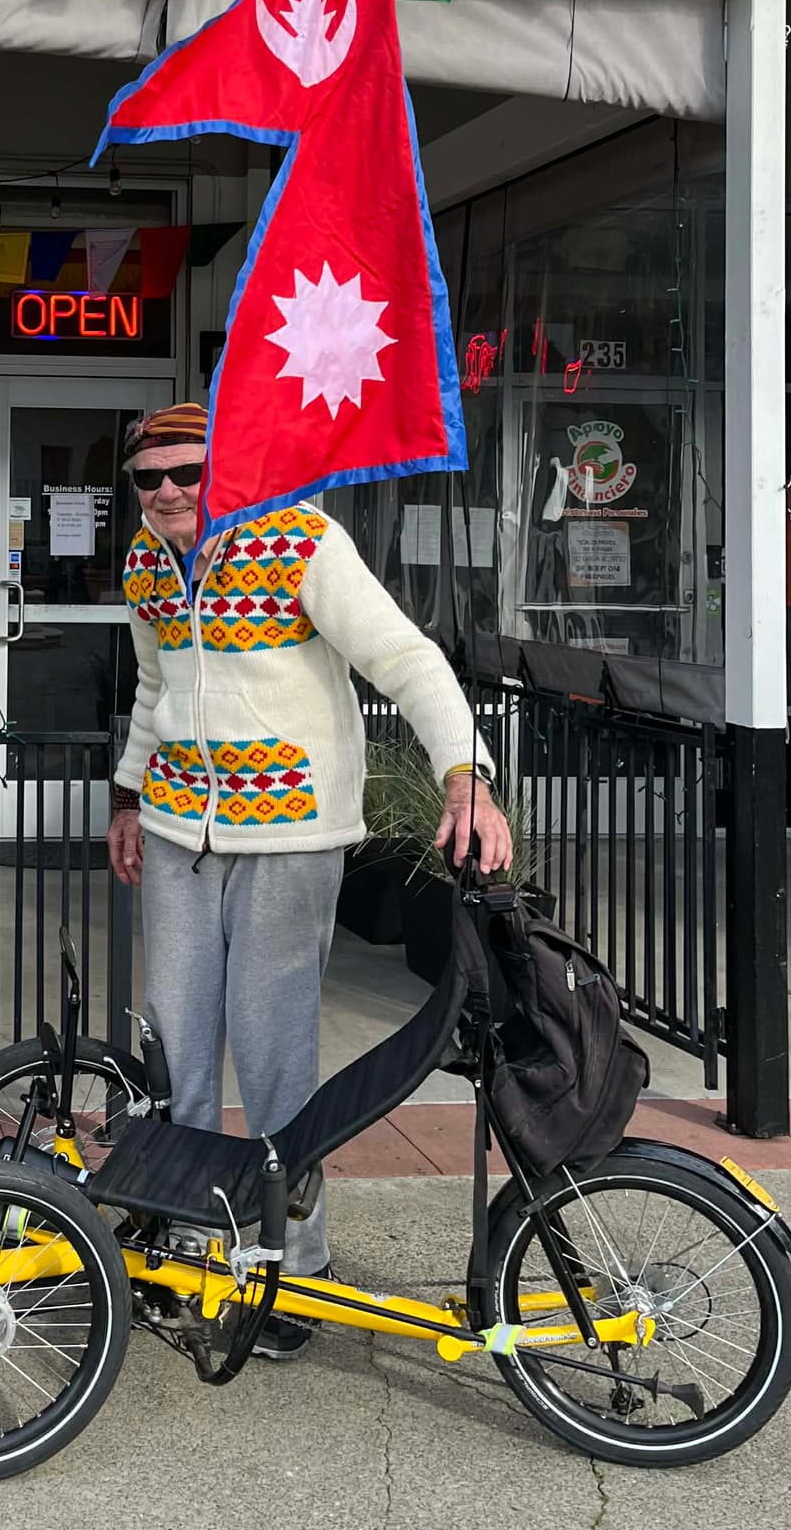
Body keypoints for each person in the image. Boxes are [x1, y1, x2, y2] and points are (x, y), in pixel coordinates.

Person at [108, 401, 511, 1357]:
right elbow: (155, 686)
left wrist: (466, 771)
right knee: (170, 1052)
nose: (167, 491)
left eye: (186, 472)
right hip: (176, 828)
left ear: (228, 466)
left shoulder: (299, 537)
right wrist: (128, 796)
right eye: (148, 478)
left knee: (274, 1054)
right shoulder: (144, 561)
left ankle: (298, 1270)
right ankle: (187, 1248)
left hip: (290, 833)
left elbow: (405, 658)